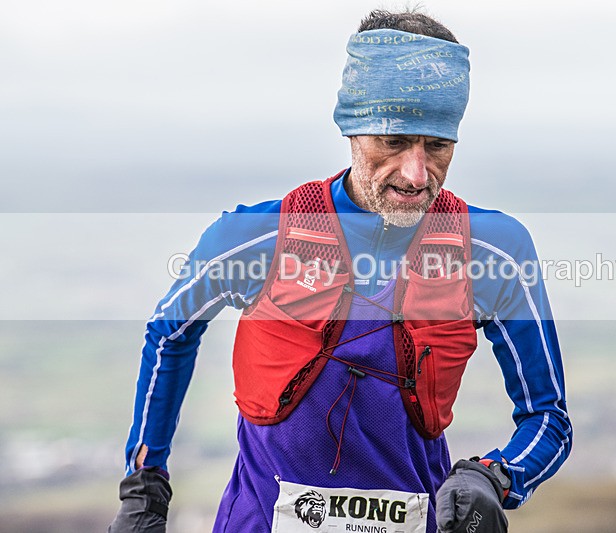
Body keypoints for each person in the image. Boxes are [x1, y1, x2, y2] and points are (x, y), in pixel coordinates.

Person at [109, 9, 571, 533]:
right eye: (394, 142)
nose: (417, 175)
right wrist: (144, 489)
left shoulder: (492, 252)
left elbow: (549, 419)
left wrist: (495, 477)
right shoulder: (260, 236)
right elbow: (171, 332)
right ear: (353, 128)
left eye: (438, 146)